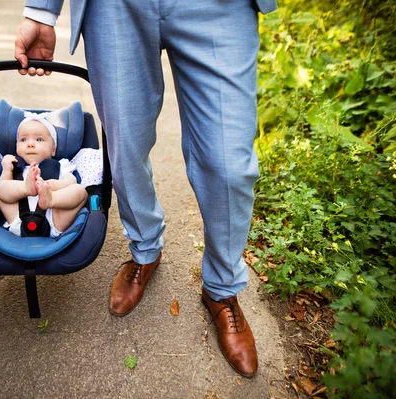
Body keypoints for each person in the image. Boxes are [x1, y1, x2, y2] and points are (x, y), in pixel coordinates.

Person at [14, 0, 278, 377]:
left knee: (229, 166)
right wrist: (41, 10)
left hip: (220, 8)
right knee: (126, 146)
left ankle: (221, 287)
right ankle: (145, 248)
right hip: (116, 9)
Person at [0, 114, 87, 238]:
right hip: (17, 219)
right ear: (16, 147)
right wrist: (6, 169)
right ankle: (26, 188)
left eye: (39, 140)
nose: (30, 144)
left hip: (54, 219)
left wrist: (58, 185)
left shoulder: (61, 164)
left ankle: (51, 199)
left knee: (80, 191)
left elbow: (72, 179)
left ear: (53, 149)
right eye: (23, 140)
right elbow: (4, 190)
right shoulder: (15, 165)